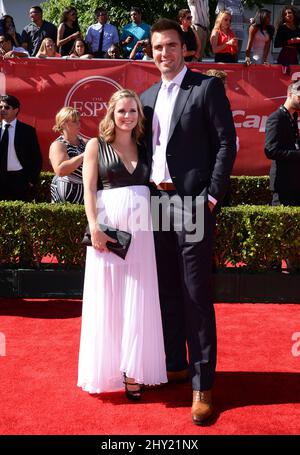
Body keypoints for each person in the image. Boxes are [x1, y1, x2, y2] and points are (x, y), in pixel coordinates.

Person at [140, 19, 236, 424]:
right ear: (152, 51)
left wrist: (210, 198)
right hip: (156, 203)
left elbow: (226, 142)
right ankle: (174, 364)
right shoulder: (144, 96)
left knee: (196, 294)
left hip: (192, 205)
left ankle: (202, 382)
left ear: (186, 49)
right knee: (166, 289)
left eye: (172, 46)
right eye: (158, 47)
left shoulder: (206, 88)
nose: (165, 53)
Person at [77, 89, 167, 398]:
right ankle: (108, 370)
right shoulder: (95, 146)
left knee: (138, 299)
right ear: (111, 115)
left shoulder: (145, 147)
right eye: (121, 111)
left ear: (138, 116)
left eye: (132, 111)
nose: (126, 116)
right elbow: (89, 190)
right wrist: (95, 228)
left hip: (141, 234)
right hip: (108, 234)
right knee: (109, 299)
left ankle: (133, 371)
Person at [265, 79, 300, 271]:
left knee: (291, 226)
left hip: (293, 183)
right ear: (291, 94)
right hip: (283, 184)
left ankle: (292, 263)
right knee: (279, 226)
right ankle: (273, 266)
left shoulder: (291, 118)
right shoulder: (276, 118)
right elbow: (270, 150)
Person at [0, 94, 42, 201]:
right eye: (1, 107)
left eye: (6, 107)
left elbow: (36, 158)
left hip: (19, 179)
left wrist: (31, 181)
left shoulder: (27, 131)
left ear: (16, 110)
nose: (3, 110)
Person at [49, 107, 85, 204]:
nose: (78, 124)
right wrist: (83, 156)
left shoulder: (84, 143)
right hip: (66, 191)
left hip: (85, 192)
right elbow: (60, 171)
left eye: (78, 120)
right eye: (74, 121)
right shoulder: (58, 144)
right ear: (63, 124)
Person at [274, 5, 300, 74]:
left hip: (295, 55)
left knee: (294, 76)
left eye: (289, 13)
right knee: (285, 75)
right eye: (285, 14)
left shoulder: (298, 29)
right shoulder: (282, 28)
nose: (288, 15)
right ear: (283, 17)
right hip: (285, 56)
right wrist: (291, 41)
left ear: (294, 14)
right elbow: (276, 44)